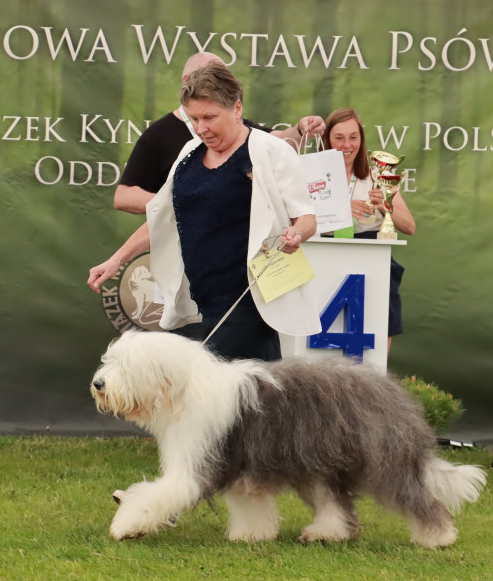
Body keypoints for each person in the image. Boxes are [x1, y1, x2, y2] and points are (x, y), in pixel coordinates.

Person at [87, 62, 321, 361]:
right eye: (193, 118)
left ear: (237, 109)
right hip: (194, 302)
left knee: (242, 399)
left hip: (245, 302)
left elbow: (307, 219)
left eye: (209, 117)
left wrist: (295, 234)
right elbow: (165, 218)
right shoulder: (189, 153)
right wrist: (116, 259)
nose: (201, 128)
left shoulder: (271, 151)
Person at [114, 52, 326, 215]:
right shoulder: (159, 134)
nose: (202, 129)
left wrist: (300, 129)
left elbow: (279, 141)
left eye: (209, 118)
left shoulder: (237, 129)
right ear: (188, 80)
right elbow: (123, 196)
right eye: (214, 78)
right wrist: (177, 202)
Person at [321, 108, 416, 350]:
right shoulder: (314, 174)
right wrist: (340, 208)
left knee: (379, 317)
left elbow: (409, 226)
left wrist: (385, 206)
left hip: (371, 255)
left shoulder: (378, 174)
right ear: (327, 140)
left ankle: (377, 374)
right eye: (338, 137)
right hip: (326, 253)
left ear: (361, 140)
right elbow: (297, 221)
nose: (346, 145)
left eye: (353, 137)